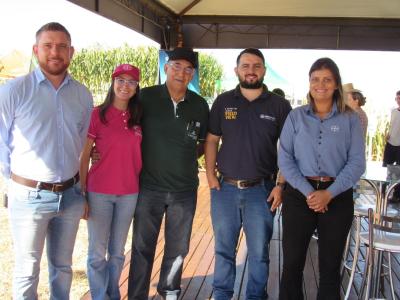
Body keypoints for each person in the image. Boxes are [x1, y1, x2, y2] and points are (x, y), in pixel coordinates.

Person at [0, 22, 93, 299]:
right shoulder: (14, 91)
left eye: (62, 46)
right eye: (48, 45)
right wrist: (17, 180)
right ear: (36, 50)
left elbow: (81, 142)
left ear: (71, 52)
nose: (55, 52)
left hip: (71, 195)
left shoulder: (82, 94)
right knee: (27, 270)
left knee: (63, 268)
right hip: (29, 196)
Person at [205, 48, 292, 300]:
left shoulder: (279, 106)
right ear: (237, 70)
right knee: (223, 250)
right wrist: (210, 175)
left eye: (256, 65)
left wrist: (280, 185)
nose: (251, 70)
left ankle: (255, 296)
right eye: (245, 65)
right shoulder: (223, 101)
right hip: (225, 189)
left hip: (262, 190)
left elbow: (288, 149)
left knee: (259, 253)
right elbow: (211, 140)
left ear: (264, 70)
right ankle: (221, 295)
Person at [278, 57, 365, 300]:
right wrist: (309, 192)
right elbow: (285, 159)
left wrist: (329, 193)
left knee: (330, 266)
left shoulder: (350, 119)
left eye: (327, 79)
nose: (321, 84)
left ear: (336, 84)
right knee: (292, 263)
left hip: (336, 197)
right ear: (309, 83)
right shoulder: (295, 117)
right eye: (315, 79)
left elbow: (357, 162)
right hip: (298, 195)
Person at [127, 48, 209, 300]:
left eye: (187, 69)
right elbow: (123, 130)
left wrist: (179, 157)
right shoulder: (145, 97)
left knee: (178, 247)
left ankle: (170, 290)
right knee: (142, 247)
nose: (181, 73)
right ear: (166, 67)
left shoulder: (199, 104)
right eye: (176, 66)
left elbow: (202, 143)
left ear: (192, 74)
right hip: (149, 187)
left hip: (184, 190)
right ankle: (137, 294)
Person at [80, 64, 142, 299]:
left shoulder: (139, 117)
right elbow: (85, 155)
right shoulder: (97, 114)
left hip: (129, 193)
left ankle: (112, 293)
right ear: (112, 82)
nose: (125, 86)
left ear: (137, 88)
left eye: (131, 82)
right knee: (97, 252)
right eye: (120, 80)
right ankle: (99, 296)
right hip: (99, 192)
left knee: (117, 252)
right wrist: (82, 192)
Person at [383, 90, 400, 202]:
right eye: (397, 98)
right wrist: (388, 134)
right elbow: (392, 125)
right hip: (390, 144)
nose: (398, 100)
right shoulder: (393, 111)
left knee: (399, 171)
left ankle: (396, 196)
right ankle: (382, 193)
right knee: (385, 168)